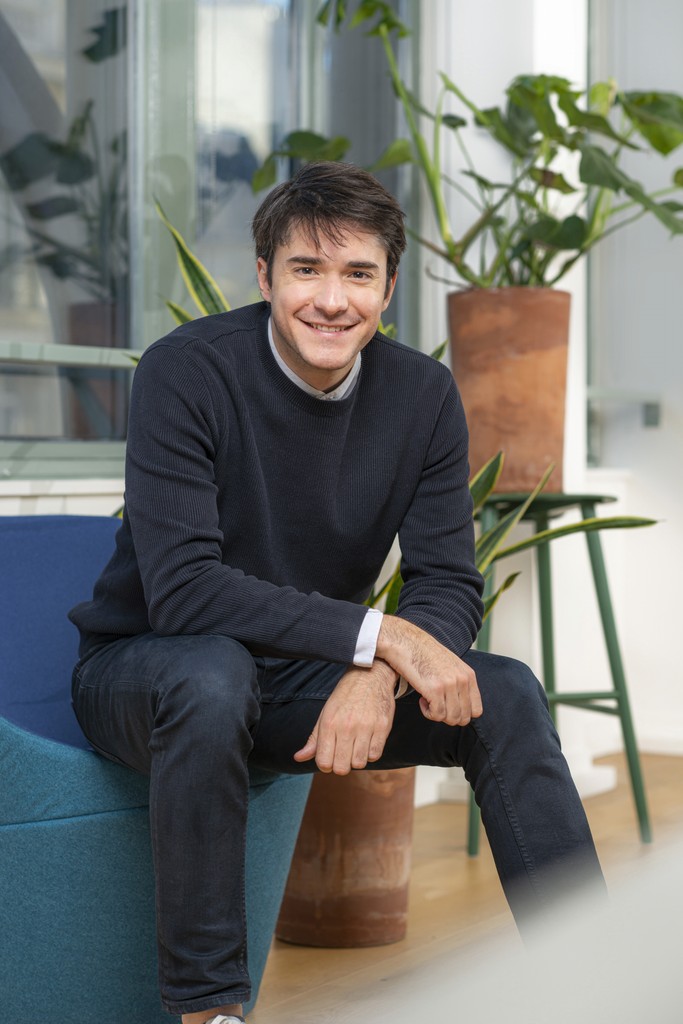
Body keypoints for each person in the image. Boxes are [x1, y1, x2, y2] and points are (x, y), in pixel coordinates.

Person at [70, 161, 605, 1024]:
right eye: (305, 271)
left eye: (357, 274)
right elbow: (185, 593)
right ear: (264, 276)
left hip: (295, 682)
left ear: (388, 288)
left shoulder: (421, 394)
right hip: (145, 671)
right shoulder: (186, 371)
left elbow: (444, 582)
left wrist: (376, 671)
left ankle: (597, 987)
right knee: (212, 673)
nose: (331, 300)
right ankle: (209, 1010)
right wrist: (380, 638)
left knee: (502, 690)